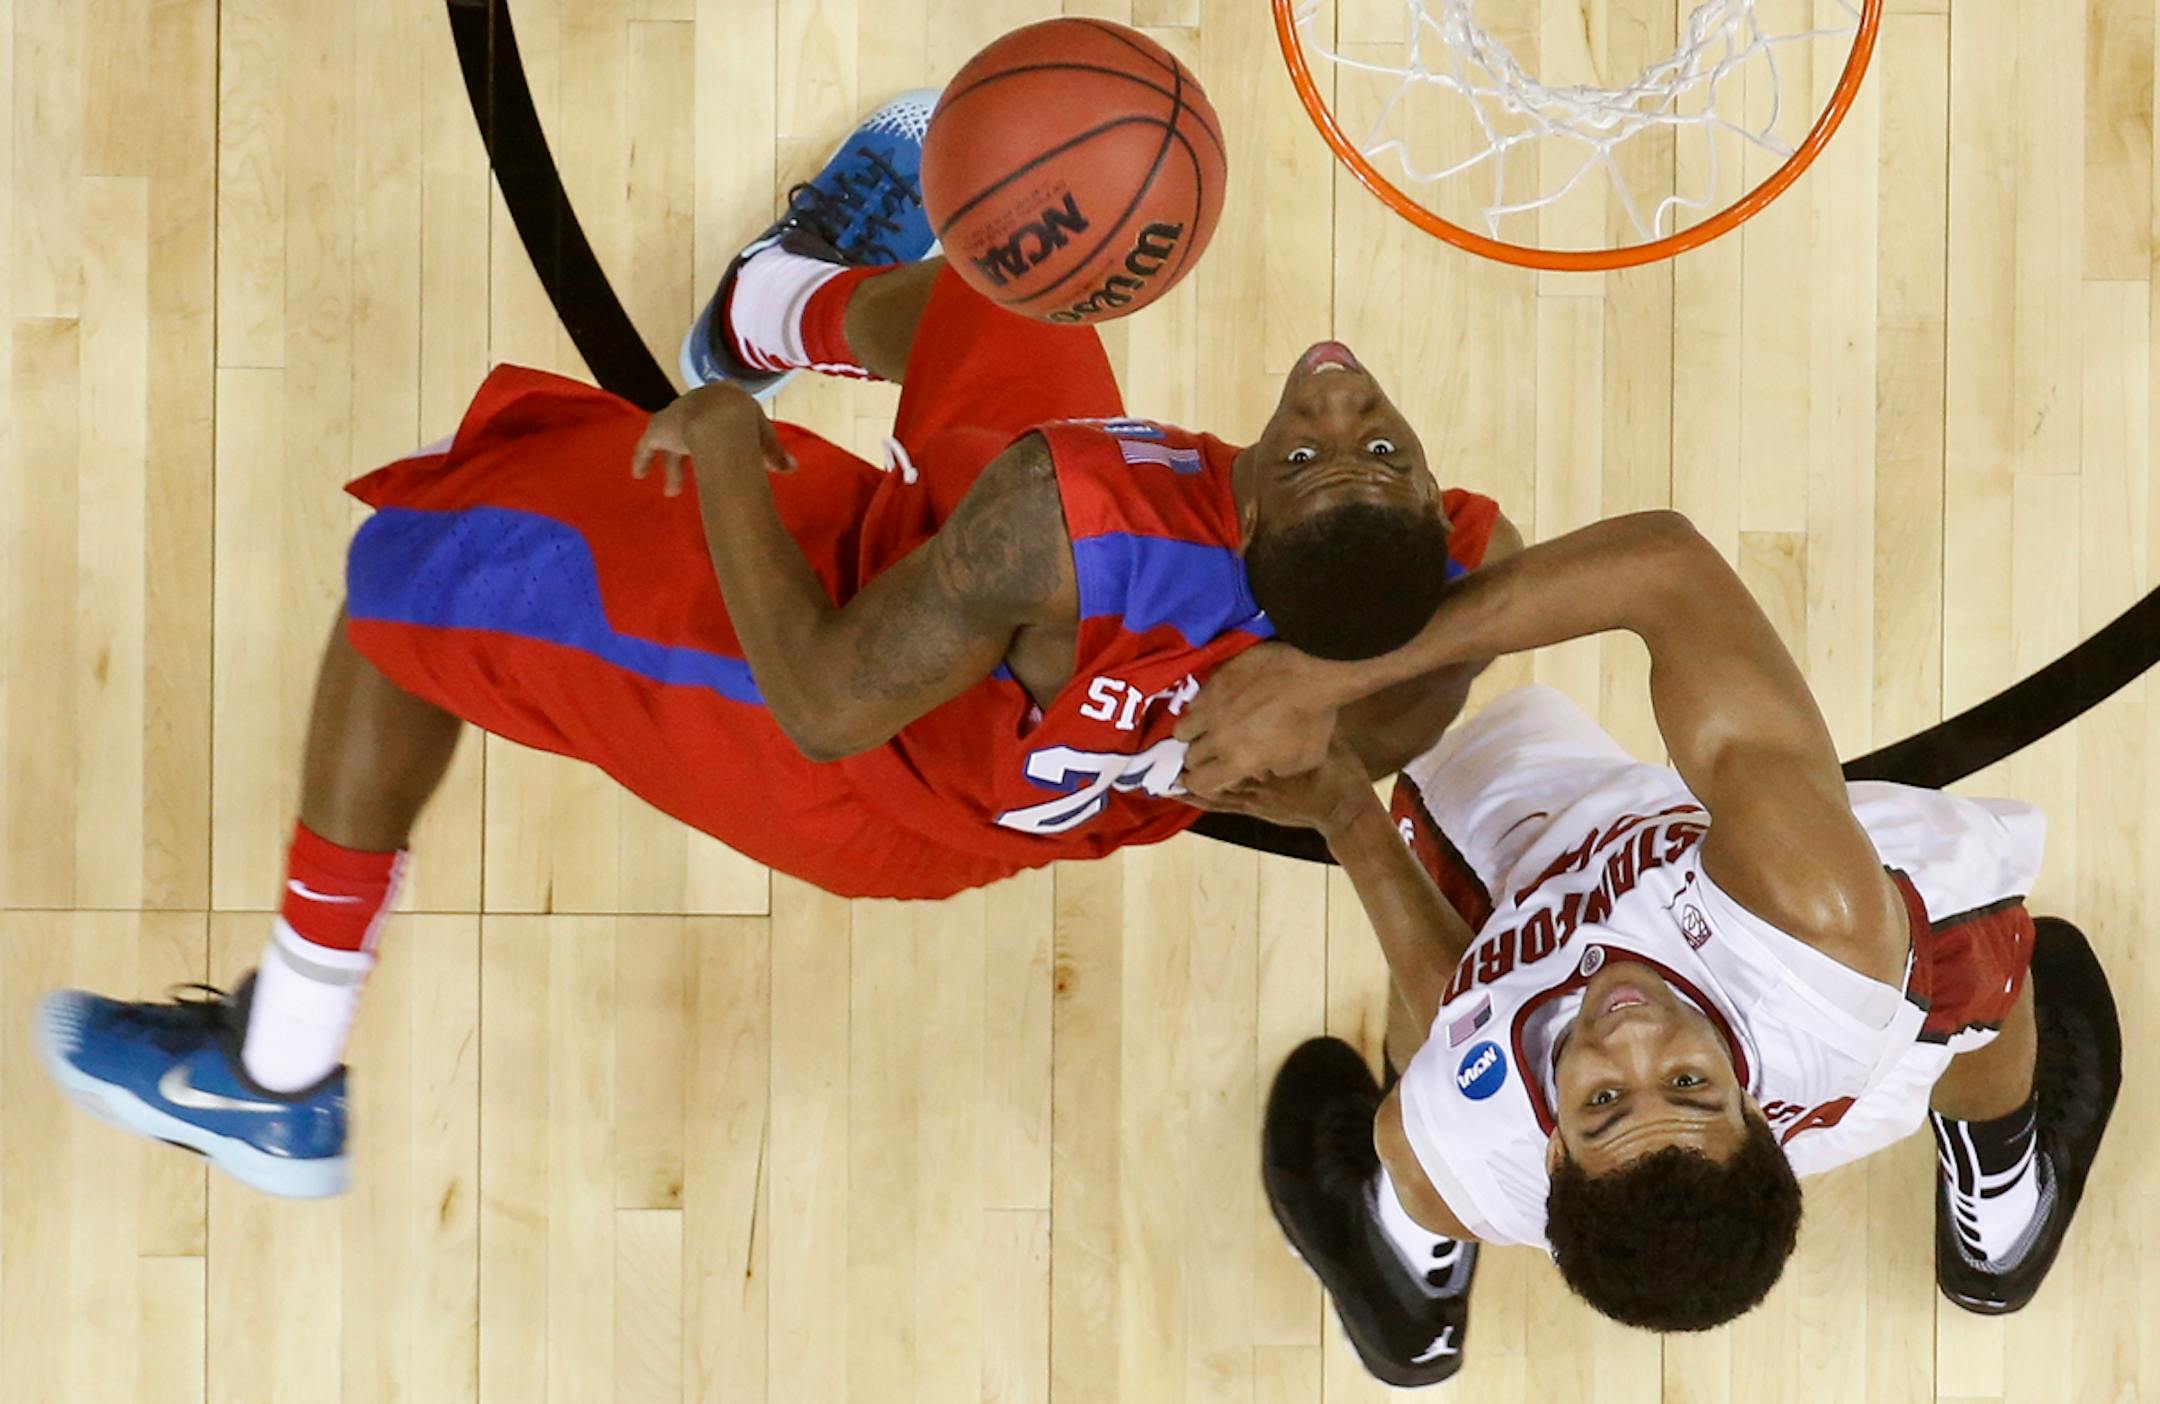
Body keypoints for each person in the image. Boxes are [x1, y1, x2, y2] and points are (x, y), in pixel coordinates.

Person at [33, 91, 1518, 1199]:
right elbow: (1514, 575)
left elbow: (821, 700)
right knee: (990, 285)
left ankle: (276, 1069)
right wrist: (1323, 695)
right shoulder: (1432, 584)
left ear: (1259, 513)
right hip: (1013, 688)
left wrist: (736, 459)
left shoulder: (1065, 517)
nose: (1337, 402)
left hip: (842, 744)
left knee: (412, 584)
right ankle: (766, 304)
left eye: (1325, 456)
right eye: (1374, 442)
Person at [1177, 510, 2121, 1385]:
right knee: (1983, 972)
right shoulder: (1815, 922)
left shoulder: (1454, 1153)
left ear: (1550, 1152)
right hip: (1860, 1006)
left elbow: (1462, 1015)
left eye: (1599, 1101)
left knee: (1432, 834)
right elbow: (1669, 571)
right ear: (1756, 1115)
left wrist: (1348, 814)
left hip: (1573, 879)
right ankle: (2002, 1209)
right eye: (1687, 1085)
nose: (1631, 1041)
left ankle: (1406, 1267)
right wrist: (1336, 676)